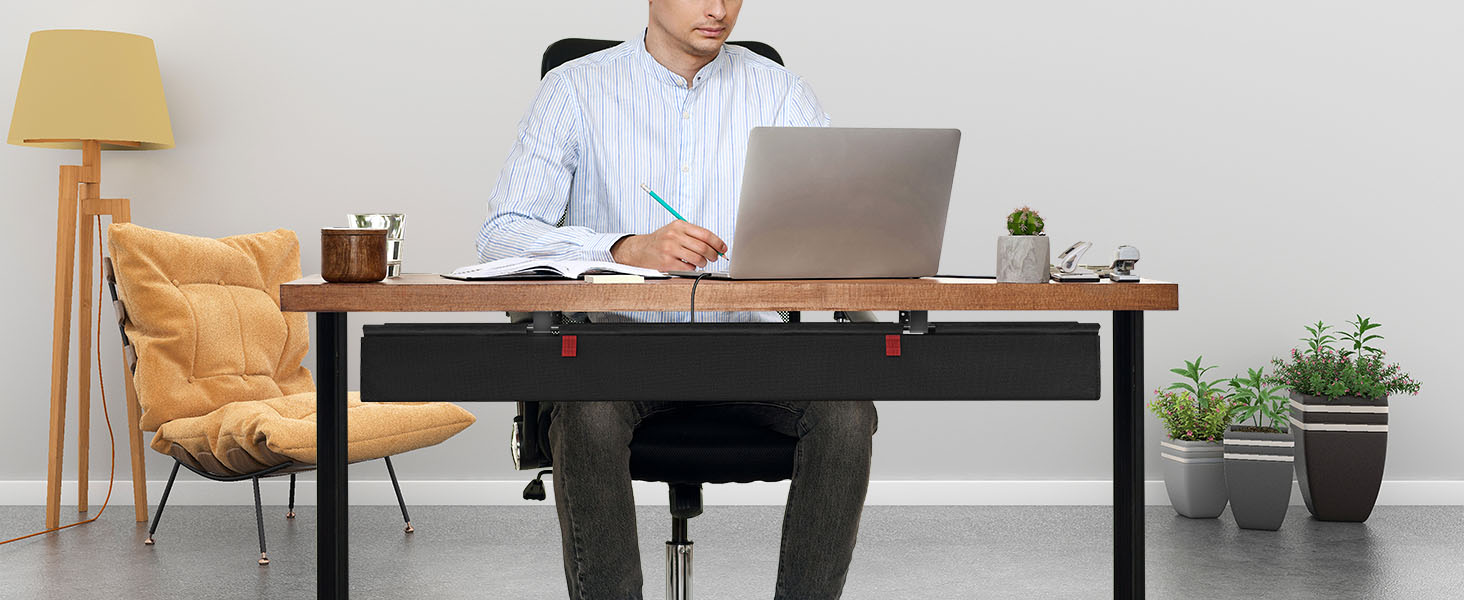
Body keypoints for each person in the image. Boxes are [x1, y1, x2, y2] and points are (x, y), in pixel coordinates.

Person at [476, 2, 877, 598]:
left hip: (750, 346)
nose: (718, 10)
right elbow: (501, 233)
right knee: (585, 414)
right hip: (619, 348)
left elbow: (841, 227)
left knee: (846, 415)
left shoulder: (779, 91)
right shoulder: (574, 89)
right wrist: (623, 247)